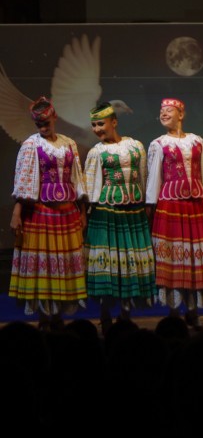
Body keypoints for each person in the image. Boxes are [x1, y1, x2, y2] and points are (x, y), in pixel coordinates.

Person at [146, 98, 203, 327]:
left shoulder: (196, 141)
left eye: (168, 110)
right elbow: (154, 177)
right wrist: (151, 205)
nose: (163, 114)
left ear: (181, 114)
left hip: (196, 205)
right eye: (161, 111)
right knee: (173, 256)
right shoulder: (158, 143)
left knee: (193, 257)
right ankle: (173, 310)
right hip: (170, 206)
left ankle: (192, 309)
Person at [9, 96, 88, 330]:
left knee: (62, 263)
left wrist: (82, 210)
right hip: (40, 211)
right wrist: (17, 212)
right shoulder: (31, 145)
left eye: (46, 122)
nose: (43, 127)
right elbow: (23, 181)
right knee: (44, 263)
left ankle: (58, 318)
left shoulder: (69, 144)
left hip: (66, 212)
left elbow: (77, 177)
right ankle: (44, 319)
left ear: (54, 117)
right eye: (39, 124)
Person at [83, 101, 156, 331]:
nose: (97, 129)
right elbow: (90, 185)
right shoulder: (97, 152)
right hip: (107, 213)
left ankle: (126, 314)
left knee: (129, 261)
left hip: (133, 212)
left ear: (114, 122)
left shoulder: (136, 147)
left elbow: (143, 176)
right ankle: (105, 315)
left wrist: (145, 203)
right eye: (93, 125)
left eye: (100, 124)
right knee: (108, 263)